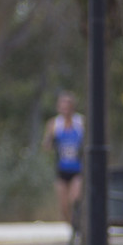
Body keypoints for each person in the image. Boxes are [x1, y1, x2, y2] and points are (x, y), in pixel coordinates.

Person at [41, 91, 84, 231]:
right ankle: (75, 229)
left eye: (68, 105)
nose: (65, 109)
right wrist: (50, 139)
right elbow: (46, 146)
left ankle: (81, 224)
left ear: (73, 107)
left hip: (78, 169)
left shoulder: (81, 122)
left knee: (74, 199)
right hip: (61, 169)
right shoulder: (54, 124)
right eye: (62, 106)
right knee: (63, 206)